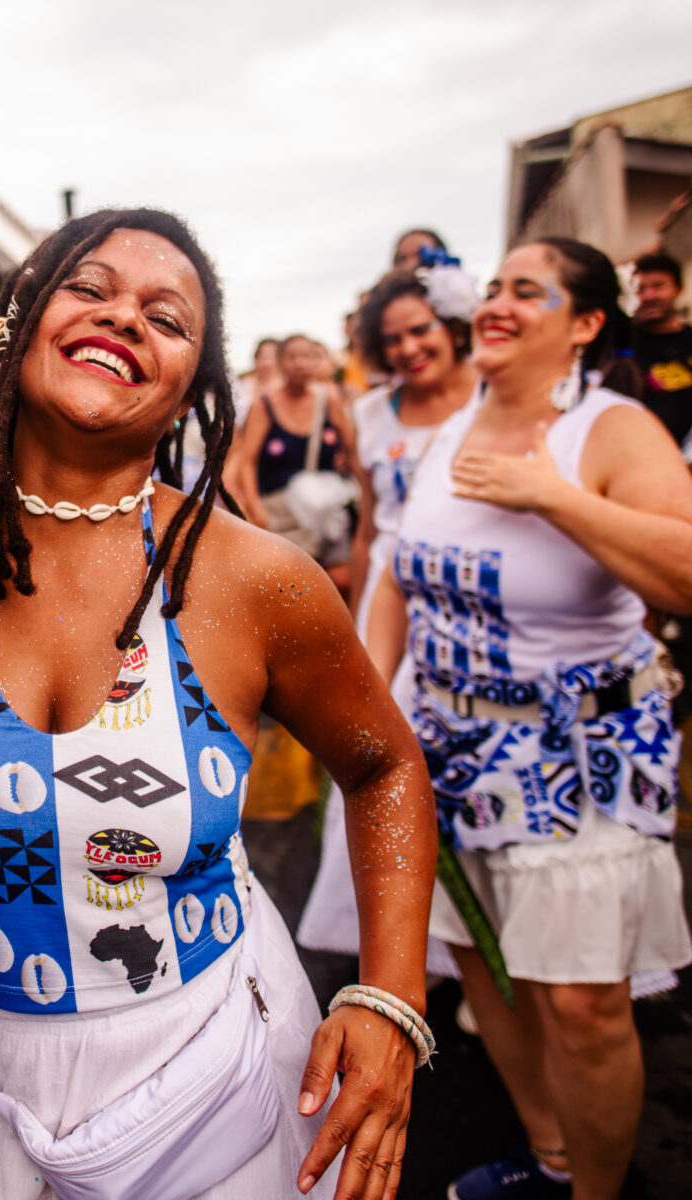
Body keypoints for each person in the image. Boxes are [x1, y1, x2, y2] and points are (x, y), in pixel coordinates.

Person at [0, 207, 439, 1200]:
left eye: (167, 315)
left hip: (217, 1079)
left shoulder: (252, 581)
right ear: (16, 325)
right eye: (91, 288)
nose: (125, 319)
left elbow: (385, 765)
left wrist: (390, 998)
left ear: (195, 387)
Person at [367, 237, 692, 1200]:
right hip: (452, 750)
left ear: (585, 323)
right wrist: (373, 707)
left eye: (528, 290)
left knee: (583, 1007)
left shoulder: (612, 428)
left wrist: (552, 497)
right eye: (495, 286)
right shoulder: (449, 429)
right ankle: (550, 1161)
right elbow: (397, 572)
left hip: (580, 757)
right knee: (485, 970)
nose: (500, 303)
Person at [299, 259, 480, 968]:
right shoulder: (369, 413)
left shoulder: (490, 401)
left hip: (465, 591)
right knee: (386, 744)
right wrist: (357, 612)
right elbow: (372, 526)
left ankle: (479, 937)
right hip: (389, 590)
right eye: (393, 339)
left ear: (452, 327)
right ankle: (413, 944)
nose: (408, 349)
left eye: (421, 331)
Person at [233, 333, 354, 580]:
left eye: (307, 356)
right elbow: (247, 461)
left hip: (327, 512)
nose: (300, 363)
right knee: (296, 586)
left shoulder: (329, 398)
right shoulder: (264, 406)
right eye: (292, 357)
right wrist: (255, 509)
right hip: (284, 516)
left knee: (340, 579)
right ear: (281, 362)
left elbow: (352, 446)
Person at [631, 251, 692, 454]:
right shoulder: (623, 345)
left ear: (678, 289)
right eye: (641, 288)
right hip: (641, 457)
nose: (649, 296)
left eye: (658, 286)